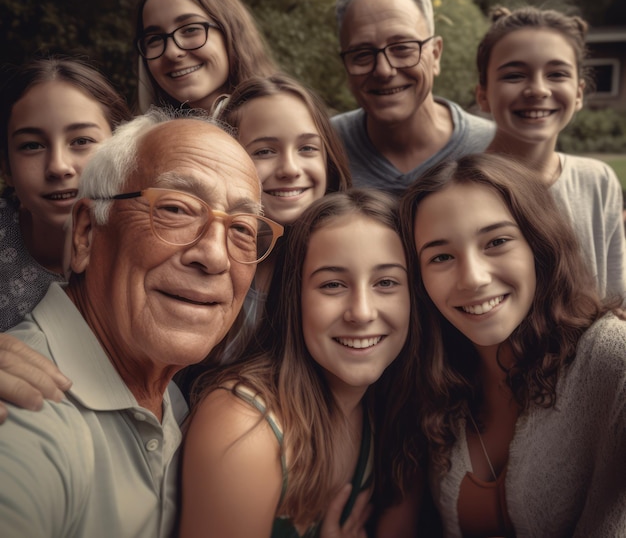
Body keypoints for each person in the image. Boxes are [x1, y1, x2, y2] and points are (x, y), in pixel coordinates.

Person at [0, 108, 284, 537]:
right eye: (176, 208)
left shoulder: (177, 401)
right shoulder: (22, 413)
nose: (215, 255)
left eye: (242, 229)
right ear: (85, 234)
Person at [399, 153, 626, 537]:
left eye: (497, 241)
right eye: (441, 256)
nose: (472, 278)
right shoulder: (434, 378)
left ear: (538, 246)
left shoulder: (611, 359)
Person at [179, 189, 422, 538]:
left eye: (386, 283)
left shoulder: (394, 411)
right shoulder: (244, 425)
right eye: (333, 284)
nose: (362, 313)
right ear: (295, 299)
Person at [476, 5, 626, 306]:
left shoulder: (598, 180)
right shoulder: (462, 190)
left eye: (556, 74)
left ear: (579, 93)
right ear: (483, 95)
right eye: (515, 75)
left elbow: (616, 298)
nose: (538, 89)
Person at [211, 73, 351, 363]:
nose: (290, 168)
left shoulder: (351, 261)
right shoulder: (210, 265)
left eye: (307, 148)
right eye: (264, 151)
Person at [331, 0, 494, 195]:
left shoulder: (494, 148)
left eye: (402, 48)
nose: (383, 70)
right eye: (362, 54)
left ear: (435, 55)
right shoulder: (325, 150)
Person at [0, 55, 129, 332]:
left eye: (81, 141)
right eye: (32, 146)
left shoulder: (151, 242)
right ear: (6, 168)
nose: (58, 166)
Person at [133, 0, 277, 113]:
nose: (172, 52)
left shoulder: (283, 123)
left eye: (190, 30)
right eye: (154, 39)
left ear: (231, 32)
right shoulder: (144, 136)